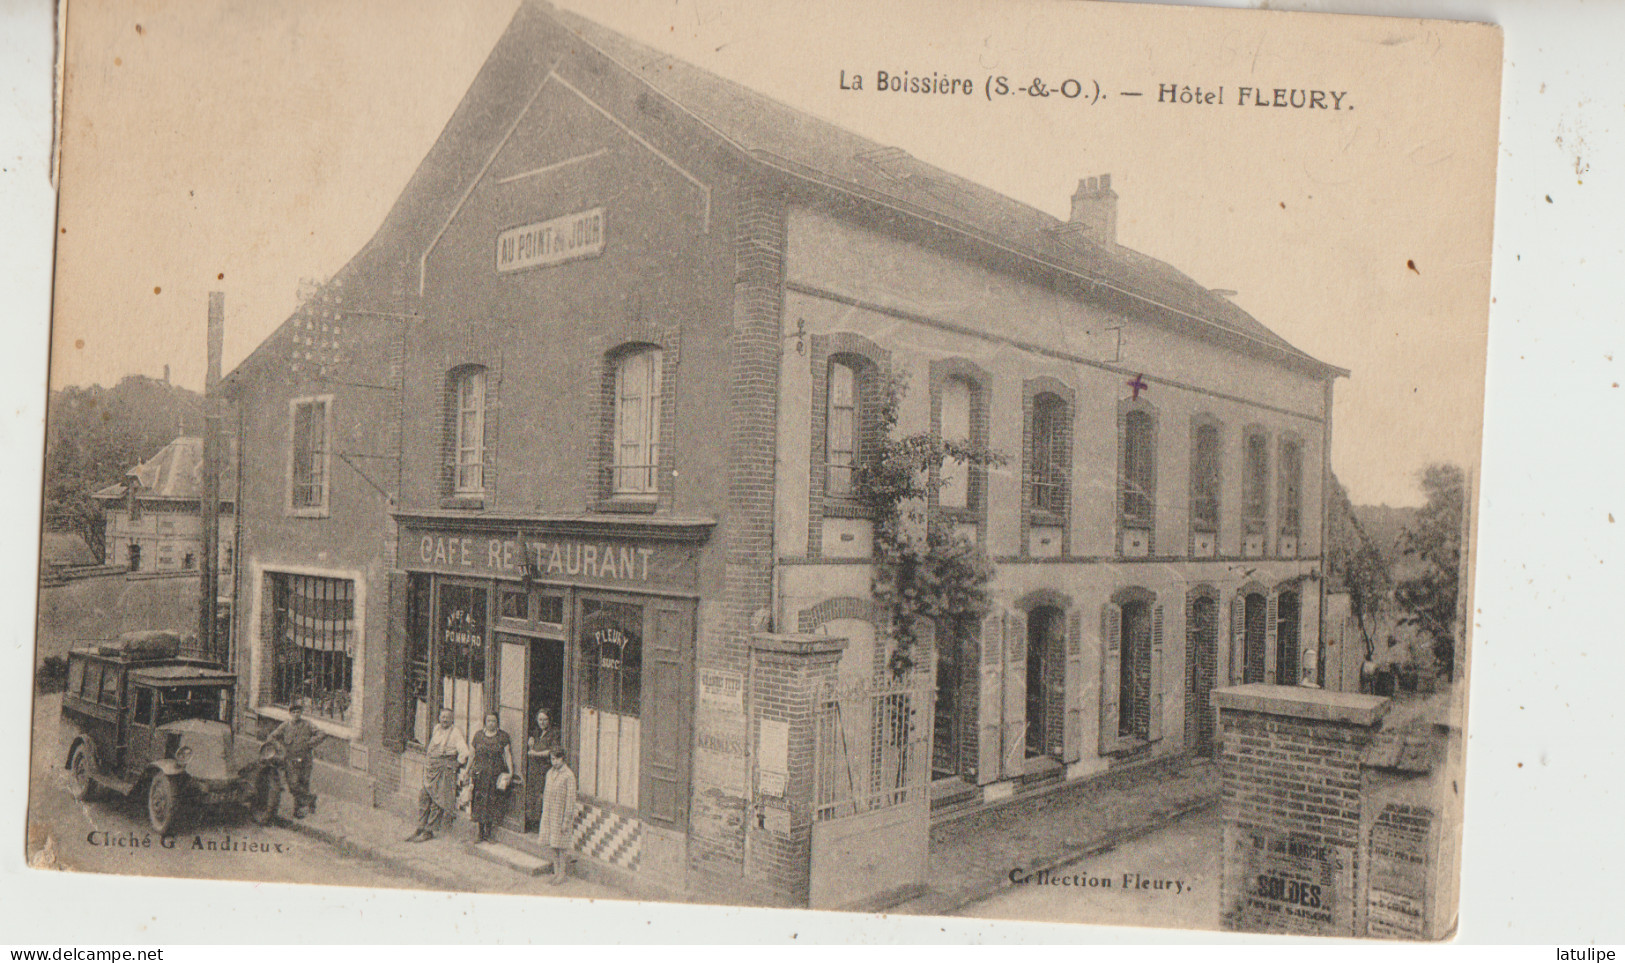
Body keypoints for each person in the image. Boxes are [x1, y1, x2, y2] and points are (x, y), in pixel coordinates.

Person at [406, 707, 470, 842]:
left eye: (447, 717)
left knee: (438, 801)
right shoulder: (436, 729)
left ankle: (429, 831)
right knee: (424, 796)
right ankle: (420, 827)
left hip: (443, 771)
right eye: (442, 717)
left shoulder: (456, 733)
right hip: (431, 770)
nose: (444, 720)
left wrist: (455, 765)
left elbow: (465, 752)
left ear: (452, 719)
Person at [266, 701, 327, 819]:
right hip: (290, 759)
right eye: (293, 712)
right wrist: (280, 747)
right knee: (293, 784)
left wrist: (310, 743)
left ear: (301, 713)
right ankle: (310, 799)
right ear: (290, 714)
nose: (296, 714)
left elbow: (322, 733)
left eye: (298, 712)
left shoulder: (307, 725)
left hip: (305, 759)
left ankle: (298, 810)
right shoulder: (285, 726)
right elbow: (272, 737)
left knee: (304, 782)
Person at [468, 711, 515, 843]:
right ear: (485, 722)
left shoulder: (503, 736)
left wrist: (511, 772)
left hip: (495, 774)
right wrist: (467, 770)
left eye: (493, 721)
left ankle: (489, 833)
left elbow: (507, 755)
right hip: (480, 774)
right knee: (479, 802)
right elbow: (472, 755)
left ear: (497, 722)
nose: (491, 723)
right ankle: (479, 833)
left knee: (492, 802)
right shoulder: (478, 736)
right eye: (488, 721)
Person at [537, 747, 576, 884]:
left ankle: (562, 874)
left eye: (556, 759)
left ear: (562, 758)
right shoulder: (549, 773)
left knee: (562, 846)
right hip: (550, 813)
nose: (554, 762)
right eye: (552, 759)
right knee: (552, 844)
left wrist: (566, 820)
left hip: (561, 815)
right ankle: (556, 871)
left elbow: (570, 800)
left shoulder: (568, 775)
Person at [525, 708, 561, 830]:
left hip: (544, 770)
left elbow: (552, 752)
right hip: (534, 769)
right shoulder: (536, 732)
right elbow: (531, 746)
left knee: (542, 796)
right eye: (540, 719)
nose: (542, 722)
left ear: (549, 720)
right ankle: (532, 822)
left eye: (545, 719)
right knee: (532, 795)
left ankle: (542, 825)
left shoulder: (554, 733)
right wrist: (530, 743)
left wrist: (535, 754)